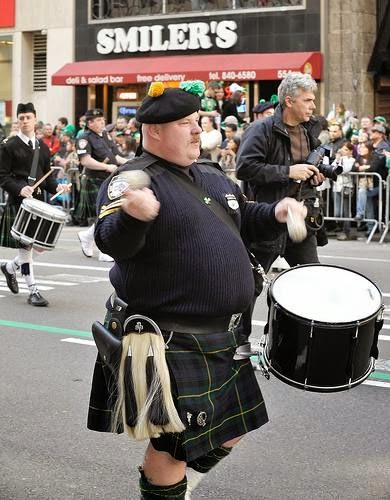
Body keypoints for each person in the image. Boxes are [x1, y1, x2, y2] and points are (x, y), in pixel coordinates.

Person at [87, 80, 307, 499]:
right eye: (186, 123)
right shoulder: (133, 181)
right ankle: (166, 487)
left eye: (198, 122)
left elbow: (242, 214)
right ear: (154, 131)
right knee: (172, 450)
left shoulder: (208, 173)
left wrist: (276, 211)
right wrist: (134, 215)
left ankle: (178, 485)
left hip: (223, 334)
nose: (197, 130)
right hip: (171, 336)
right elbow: (111, 241)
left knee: (232, 430)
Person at [236, 71, 325, 342]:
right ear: (289, 101)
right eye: (308, 100)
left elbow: (304, 172)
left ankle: (285, 343)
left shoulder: (309, 130)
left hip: (301, 220)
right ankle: (239, 342)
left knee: (309, 280)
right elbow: (244, 168)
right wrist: (288, 171)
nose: (312, 106)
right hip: (268, 218)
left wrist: (313, 176)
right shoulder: (261, 129)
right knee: (250, 286)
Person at [0, 102, 71, 306]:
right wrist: (19, 188)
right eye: (21, 118)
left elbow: (47, 178)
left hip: (38, 203)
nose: (24, 121)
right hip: (19, 203)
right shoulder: (8, 145)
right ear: (18, 121)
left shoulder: (43, 148)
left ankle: (10, 268)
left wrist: (58, 187)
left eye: (28, 117)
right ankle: (33, 290)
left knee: (40, 246)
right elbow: (2, 177)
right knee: (26, 249)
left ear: (34, 119)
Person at [74, 108, 127, 261]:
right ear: (89, 123)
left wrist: (132, 163)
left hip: (108, 180)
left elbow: (115, 156)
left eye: (102, 119)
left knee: (108, 213)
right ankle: (104, 251)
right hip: (94, 180)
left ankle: (87, 236)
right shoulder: (84, 138)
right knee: (106, 214)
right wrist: (106, 166)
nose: (102, 122)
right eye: (98, 120)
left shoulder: (104, 135)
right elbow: (85, 160)